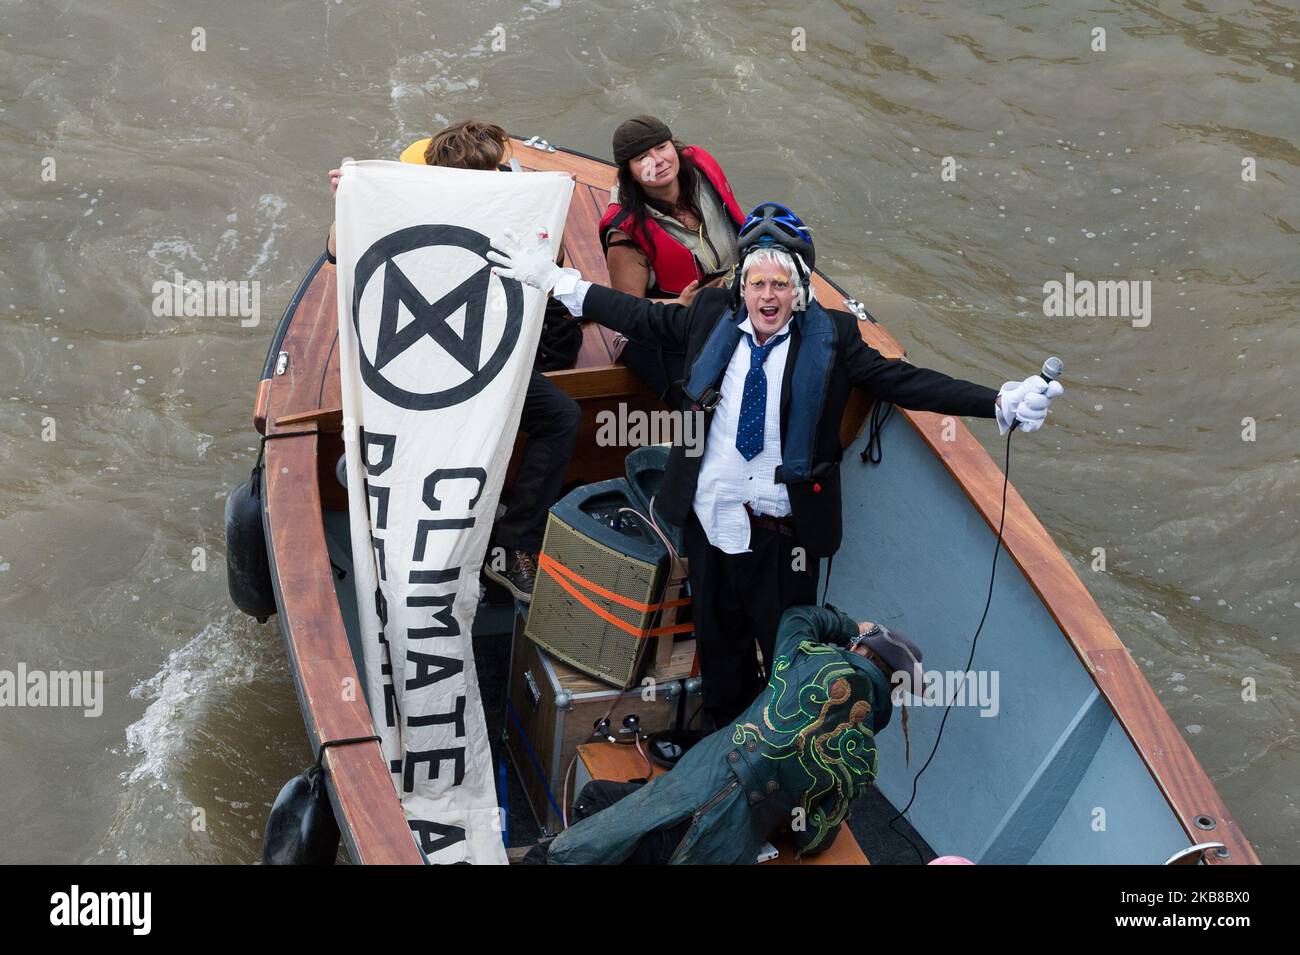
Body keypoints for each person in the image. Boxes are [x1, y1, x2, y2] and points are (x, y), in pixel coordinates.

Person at [488, 202, 1063, 723]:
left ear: (800, 291)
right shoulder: (711, 312)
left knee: (788, 652)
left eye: (780, 285)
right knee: (718, 643)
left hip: (781, 534)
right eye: (757, 282)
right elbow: (639, 318)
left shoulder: (836, 339)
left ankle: (783, 746)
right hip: (711, 519)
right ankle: (718, 737)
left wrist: (997, 402)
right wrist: (559, 282)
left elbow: (907, 382)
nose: (767, 296)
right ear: (742, 286)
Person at [327, 120, 581, 601]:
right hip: (417, 365)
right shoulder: (407, 206)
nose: (497, 176)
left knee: (561, 417)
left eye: (497, 169)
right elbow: (338, 250)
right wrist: (349, 203)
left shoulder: (510, 199)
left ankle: (513, 546)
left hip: (485, 359)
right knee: (436, 437)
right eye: (486, 171)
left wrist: (542, 214)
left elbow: (553, 266)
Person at [531, 604, 921, 864]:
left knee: (561, 851)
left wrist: (853, 626)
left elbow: (799, 618)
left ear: (861, 651)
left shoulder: (809, 661)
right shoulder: (862, 760)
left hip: (677, 800)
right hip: (722, 850)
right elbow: (813, 839)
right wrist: (788, 808)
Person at [600, 116, 744, 399]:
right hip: (670, 328)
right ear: (629, 172)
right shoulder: (626, 233)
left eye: (662, 148)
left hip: (732, 302)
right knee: (716, 395)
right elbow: (627, 310)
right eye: (643, 157)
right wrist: (677, 304)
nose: (658, 161)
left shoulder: (702, 175)